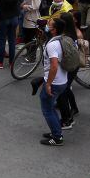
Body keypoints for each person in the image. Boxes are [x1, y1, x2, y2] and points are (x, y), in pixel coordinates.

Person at [39, 15, 71, 146]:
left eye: (49, 24)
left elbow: (53, 65)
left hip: (55, 82)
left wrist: (48, 84)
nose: (47, 25)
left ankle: (57, 137)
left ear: (54, 29)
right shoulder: (64, 40)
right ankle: (55, 130)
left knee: (47, 109)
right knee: (51, 107)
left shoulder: (52, 45)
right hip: (63, 80)